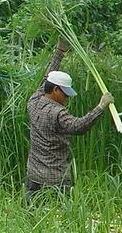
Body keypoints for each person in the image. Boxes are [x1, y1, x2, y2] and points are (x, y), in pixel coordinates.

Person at [26, 39, 114, 200]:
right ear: (55, 90)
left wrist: (60, 51)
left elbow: (47, 77)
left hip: (33, 176)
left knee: (31, 218)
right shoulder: (58, 113)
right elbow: (78, 127)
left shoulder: (34, 100)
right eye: (65, 93)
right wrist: (100, 106)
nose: (67, 98)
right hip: (56, 181)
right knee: (59, 221)